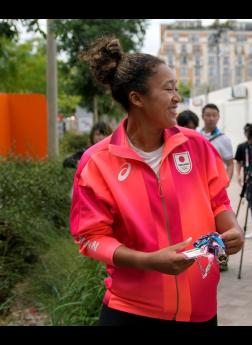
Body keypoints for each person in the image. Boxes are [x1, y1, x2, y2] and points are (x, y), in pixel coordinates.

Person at [70, 36, 243, 326]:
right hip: (130, 311)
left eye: (177, 89)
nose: (177, 98)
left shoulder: (196, 146)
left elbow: (218, 200)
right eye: (168, 89)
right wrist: (148, 261)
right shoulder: (97, 162)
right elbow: (91, 237)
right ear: (137, 98)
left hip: (200, 311)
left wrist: (232, 227)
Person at [199, 104, 234, 182]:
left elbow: (230, 164)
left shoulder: (224, 139)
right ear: (202, 116)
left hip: (215, 182)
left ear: (218, 117)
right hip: (198, 182)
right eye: (208, 115)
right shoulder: (196, 134)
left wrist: (226, 182)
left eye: (214, 115)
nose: (211, 118)